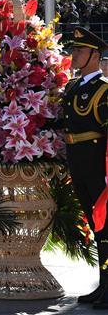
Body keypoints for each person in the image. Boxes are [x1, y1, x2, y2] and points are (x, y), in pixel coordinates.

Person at [64, 27, 108, 308]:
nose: (74, 55)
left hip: (97, 166)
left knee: (106, 228)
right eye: (74, 50)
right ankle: (103, 284)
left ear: (94, 55)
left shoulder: (103, 90)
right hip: (78, 165)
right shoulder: (72, 87)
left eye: (80, 51)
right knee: (96, 227)